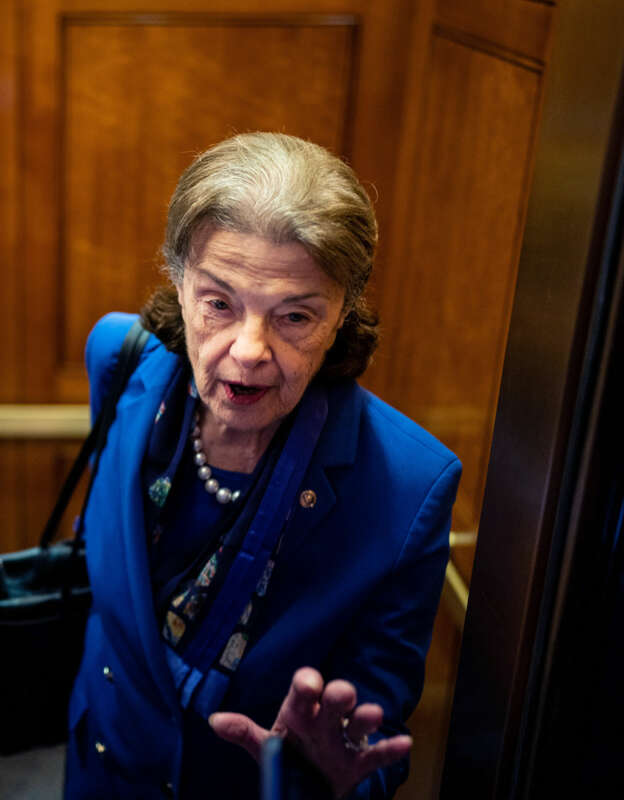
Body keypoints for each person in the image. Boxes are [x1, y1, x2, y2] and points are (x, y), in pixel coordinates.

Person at [66, 132, 461, 798]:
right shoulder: (119, 358)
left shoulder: (410, 487)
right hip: (101, 759)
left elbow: (373, 740)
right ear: (179, 280)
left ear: (341, 314)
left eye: (294, 316)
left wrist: (326, 779)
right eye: (219, 303)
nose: (249, 350)